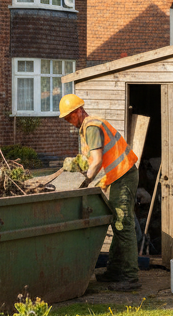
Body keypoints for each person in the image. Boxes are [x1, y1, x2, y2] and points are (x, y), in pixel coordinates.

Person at [59, 94, 141, 292]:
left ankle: (130, 277)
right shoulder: (90, 126)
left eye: (70, 116)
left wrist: (85, 183)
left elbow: (96, 161)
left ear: (79, 111)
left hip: (123, 176)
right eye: (66, 119)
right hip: (118, 176)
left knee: (124, 225)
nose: (70, 121)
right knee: (118, 224)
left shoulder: (91, 127)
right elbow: (97, 158)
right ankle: (115, 271)